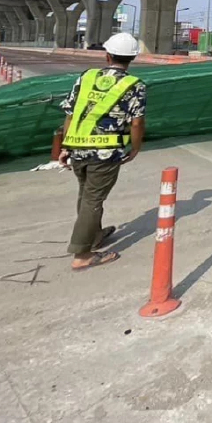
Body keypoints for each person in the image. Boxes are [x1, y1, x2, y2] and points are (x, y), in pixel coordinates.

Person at [58, 32, 147, 270]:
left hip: (77, 147)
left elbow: (71, 113)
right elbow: (137, 123)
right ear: (132, 59)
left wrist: (65, 146)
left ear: (107, 56)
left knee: (86, 194)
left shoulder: (86, 77)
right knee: (93, 199)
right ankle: (82, 253)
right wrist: (135, 148)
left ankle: (94, 234)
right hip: (106, 153)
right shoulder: (134, 85)